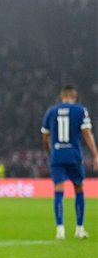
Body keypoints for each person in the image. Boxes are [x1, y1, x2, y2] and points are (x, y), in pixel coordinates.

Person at [41, 84, 97, 239]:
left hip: (57, 156)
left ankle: (60, 230)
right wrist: (96, 154)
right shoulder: (81, 110)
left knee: (58, 191)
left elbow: (45, 136)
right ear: (74, 96)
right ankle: (79, 229)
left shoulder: (51, 111)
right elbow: (87, 133)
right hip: (74, 155)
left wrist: (50, 152)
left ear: (61, 96)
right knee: (79, 189)